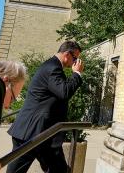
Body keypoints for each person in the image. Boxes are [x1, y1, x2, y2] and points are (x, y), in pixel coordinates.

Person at [6, 41, 85, 173]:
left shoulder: (52, 66)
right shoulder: (53, 68)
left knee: (59, 169)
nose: (76, 62)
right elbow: (64, 92)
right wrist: (76, 74)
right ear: (66, 54)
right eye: (75, 58)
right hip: (32, 133)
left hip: (43, 133)